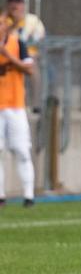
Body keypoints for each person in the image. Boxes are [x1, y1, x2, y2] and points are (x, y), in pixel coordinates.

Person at [0, 12, 36, 208]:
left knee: (22, 150)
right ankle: (1, 196)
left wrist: (7, 55)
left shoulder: (17, 44)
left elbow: (30, 69)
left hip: (15, 106)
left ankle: (28, 196)